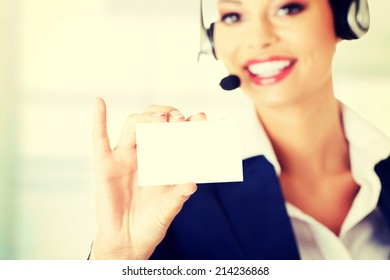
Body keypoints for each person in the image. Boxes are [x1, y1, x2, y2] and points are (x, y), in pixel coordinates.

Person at [89, 0, 390, 259]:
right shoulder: (177, 197)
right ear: (212, 39)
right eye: (234, 16)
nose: (258, 39)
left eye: (287, 8)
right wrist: (116, 258)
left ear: (344, 17)